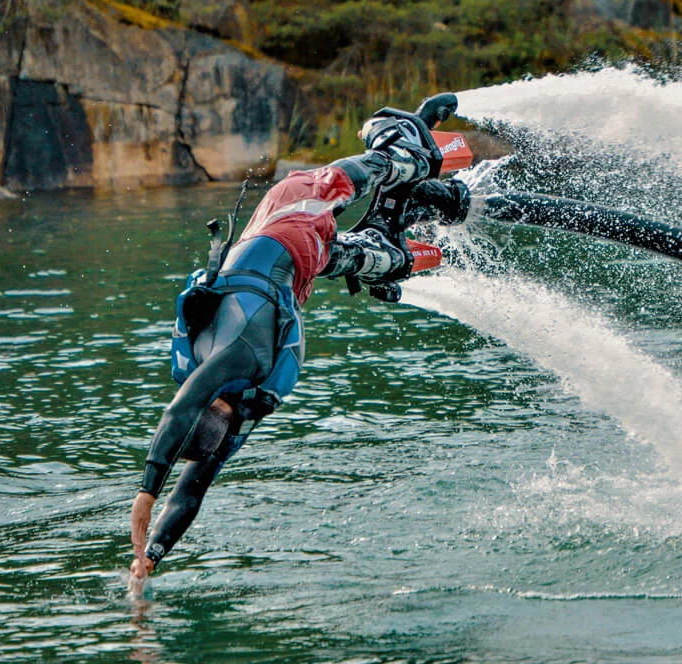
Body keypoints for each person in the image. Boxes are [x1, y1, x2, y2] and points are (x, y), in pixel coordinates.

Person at [129, 96, 470, 586]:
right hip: (302, 263)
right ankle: (386, 245)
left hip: (287, 220)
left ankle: (401, 144)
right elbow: (192, 488)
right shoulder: (236, 407)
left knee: (351, 177)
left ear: (215, 416)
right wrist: (152, 556)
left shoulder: (233, 359)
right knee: (358, 256)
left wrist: (146, 491)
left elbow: (182, 411)